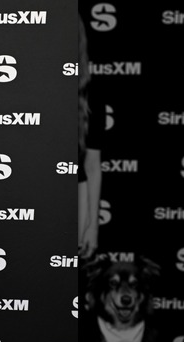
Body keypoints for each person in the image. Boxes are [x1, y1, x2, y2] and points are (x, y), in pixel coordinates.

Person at [78, 13, 103, 261]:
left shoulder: (89, 94)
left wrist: (92, 227)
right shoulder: (34, 84)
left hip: (76, 195)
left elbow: (93, 166)